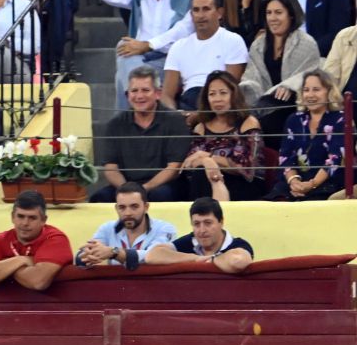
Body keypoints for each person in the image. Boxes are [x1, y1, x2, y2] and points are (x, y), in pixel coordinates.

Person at [101, 0, 196, 106]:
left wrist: (148, 45)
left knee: (124, 74)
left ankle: (129, 119)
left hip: (169, 61)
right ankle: (142, 104)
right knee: (124, 48)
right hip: (139, 57)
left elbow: (181, 31)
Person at [93, 65, 191, 203]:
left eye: (145, 90)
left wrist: (144, 189)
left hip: (164, 185)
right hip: (127, 186)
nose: (139, 96)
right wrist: (126, 190)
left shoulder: (175, 121)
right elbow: (110, 168)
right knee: (100, 198)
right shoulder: (115, 124)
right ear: (127, 95)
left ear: (158, 93)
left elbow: (174, 167)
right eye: (134, 91)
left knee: (160, 196)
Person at [239, 0, 320, 143]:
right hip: (263, 104)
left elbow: (310, 74)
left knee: (272, 117)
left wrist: (290, 85)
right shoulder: (258, 45)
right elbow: (251, 77)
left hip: (295, 105)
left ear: (290, 14)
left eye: (278, 12)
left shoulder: (306, 43)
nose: (273, 18)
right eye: (269, 13)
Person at [180, 69, 266, 202]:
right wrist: (207, 162)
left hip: (244, 184)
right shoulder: (201, 126)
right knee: (200, 175)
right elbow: (190, 163)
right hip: (207, 179)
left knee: (203, 174)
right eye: (212, 94)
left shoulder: (248, 123)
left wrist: (208, 157)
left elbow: (245, 168)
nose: (217, 99)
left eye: (223, 93)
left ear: (234, 95)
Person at [265, 68, 347, 199]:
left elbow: (335, 159)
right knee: (276, 200)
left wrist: (311, 184)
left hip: (327, 183)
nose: (310, 95)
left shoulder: (340, 119)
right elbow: (285, 157)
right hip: (294, 182)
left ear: (329, 92)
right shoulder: (294, 119)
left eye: (316, 89)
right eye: (306, 90)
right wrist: (294, 181)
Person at [161, 0, 248, 112]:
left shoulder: (233, 41)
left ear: (219, 13)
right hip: (187, 103)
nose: (201, 15)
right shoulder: (178, 47)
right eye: (196, 10)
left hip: (218, 102)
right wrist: (175, 116)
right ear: (191, 15)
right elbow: (166, 96)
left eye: (206, 9)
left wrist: (200, 115)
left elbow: (231, 88)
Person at [0, 189, 73, 292]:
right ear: (12, 217)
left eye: (32, 218)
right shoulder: (1, 239)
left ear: (43, 220)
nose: (25, 223)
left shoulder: (55, 239)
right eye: (20, 216)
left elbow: (37, 281)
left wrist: (1, 267)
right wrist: (22, 260)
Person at [75, 182, 179, 269]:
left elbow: (152, 256)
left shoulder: (164, 229)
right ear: (116, 208)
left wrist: (114, 252)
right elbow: (81, 258)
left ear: (146, 207)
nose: (128, 213)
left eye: (134, 207)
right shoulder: (107, 228)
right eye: (122, 207)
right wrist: (86, 255)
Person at [145, 197, 254, 273]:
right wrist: (195, 259)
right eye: (196, 224)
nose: (202, 230)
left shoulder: (238, 244)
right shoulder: (190, 241)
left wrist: (210, 260)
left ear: (221, 222)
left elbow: (238, 261)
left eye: (208, 223)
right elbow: (152, 256)